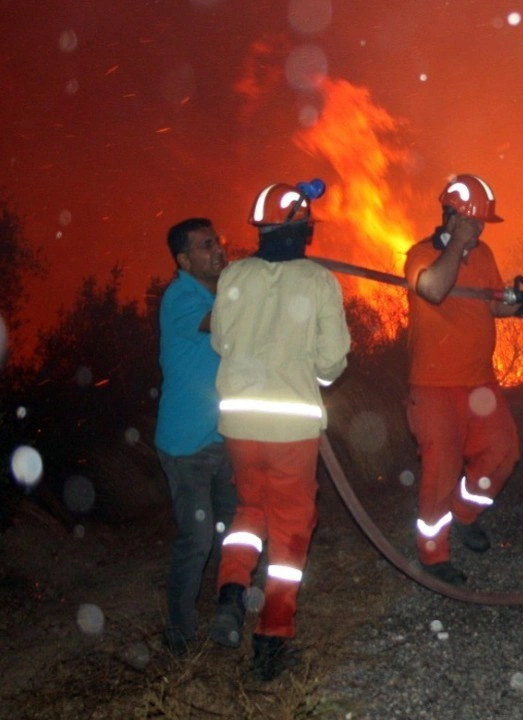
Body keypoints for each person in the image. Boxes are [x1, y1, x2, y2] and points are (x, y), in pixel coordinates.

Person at [208, 181, 350, 682]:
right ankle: (272, 636)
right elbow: (332, 364)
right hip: (291, 427)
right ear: (300, 228)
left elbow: (222, 344)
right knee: (290, 532)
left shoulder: (232, 276)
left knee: (248, 510)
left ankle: (229, 591)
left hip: (239, 423)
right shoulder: (318, 282)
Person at [403, 173, 523, 585]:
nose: (479, 230)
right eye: (473, 221)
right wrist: (456, 244)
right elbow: (435, 291)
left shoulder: (484, 254)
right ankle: (433, 554)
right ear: (452, 217)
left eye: (481, 224)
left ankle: (465, 513)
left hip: (480, 383)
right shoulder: (420, 256)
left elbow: (493, 306)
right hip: (433, 386)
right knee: (441, 470)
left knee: (503, 452)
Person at [156, 217, 237, 654]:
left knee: (234, 530)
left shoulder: (216, 291)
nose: (219, 251)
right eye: (207, 246)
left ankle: (230, 611)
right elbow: (226, 321)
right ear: (184, 260)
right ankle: (180, 635)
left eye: (219, 242)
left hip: (222, 438)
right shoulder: (181, 298)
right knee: (197, 538)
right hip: (186, 447)